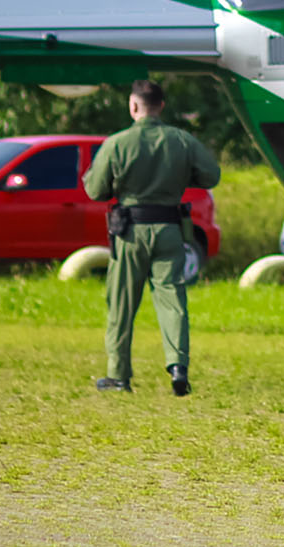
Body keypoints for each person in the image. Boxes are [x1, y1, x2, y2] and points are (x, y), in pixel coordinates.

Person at [85, 79, 221, 396]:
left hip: (130, 232)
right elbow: (211, 175)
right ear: (161, 106)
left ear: (134, 106)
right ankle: (178, 367)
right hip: (170, 229)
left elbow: (94, 190)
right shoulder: (182, 140)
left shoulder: (117, 143)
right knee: (172, 299)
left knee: (121, 303)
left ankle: (118, 376)